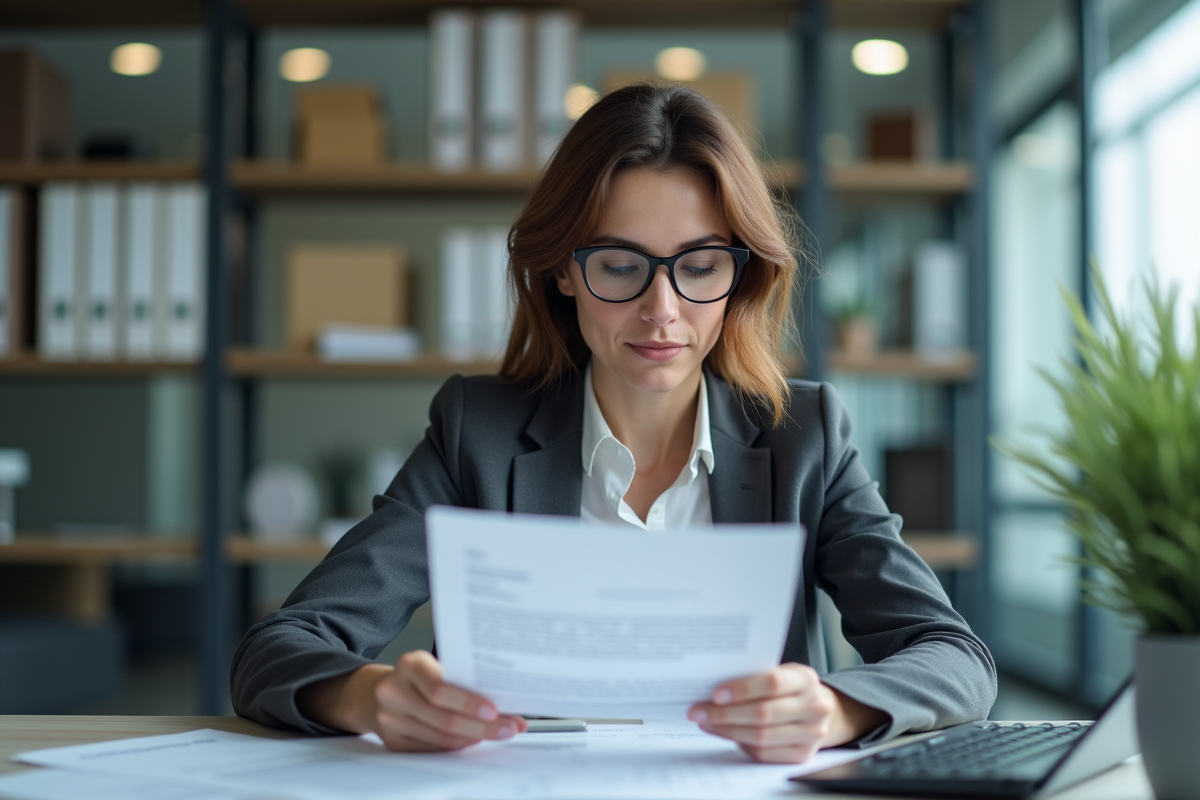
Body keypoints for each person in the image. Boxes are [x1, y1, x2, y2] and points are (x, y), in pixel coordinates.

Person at [231, 83, 996, 764]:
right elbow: (277, 650)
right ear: (563, 269)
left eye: (699, 266)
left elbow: (954, 657)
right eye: (621, 266)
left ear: (741, 276)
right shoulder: (479, 433)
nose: (661, 310)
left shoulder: (805, 437)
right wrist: (370, 697)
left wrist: (834, 709)